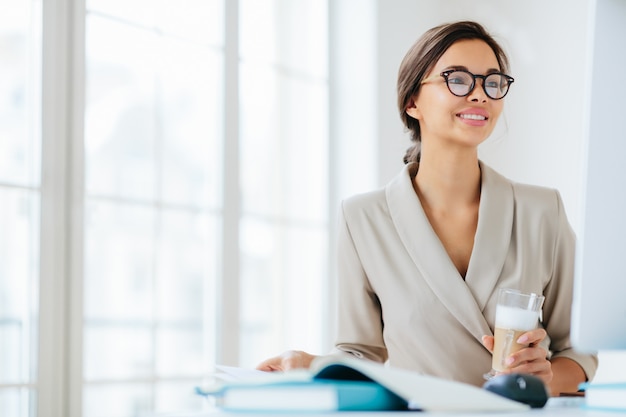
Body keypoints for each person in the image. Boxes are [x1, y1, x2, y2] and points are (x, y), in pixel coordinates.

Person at [256, 20, 597, 396]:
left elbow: (577, 351)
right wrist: (308, 365)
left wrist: (544, 378)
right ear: (412, 101)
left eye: (492, 81)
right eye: (458, 79)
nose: (480, 94)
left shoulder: (541, 211)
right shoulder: (363, 219)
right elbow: (361, 354)